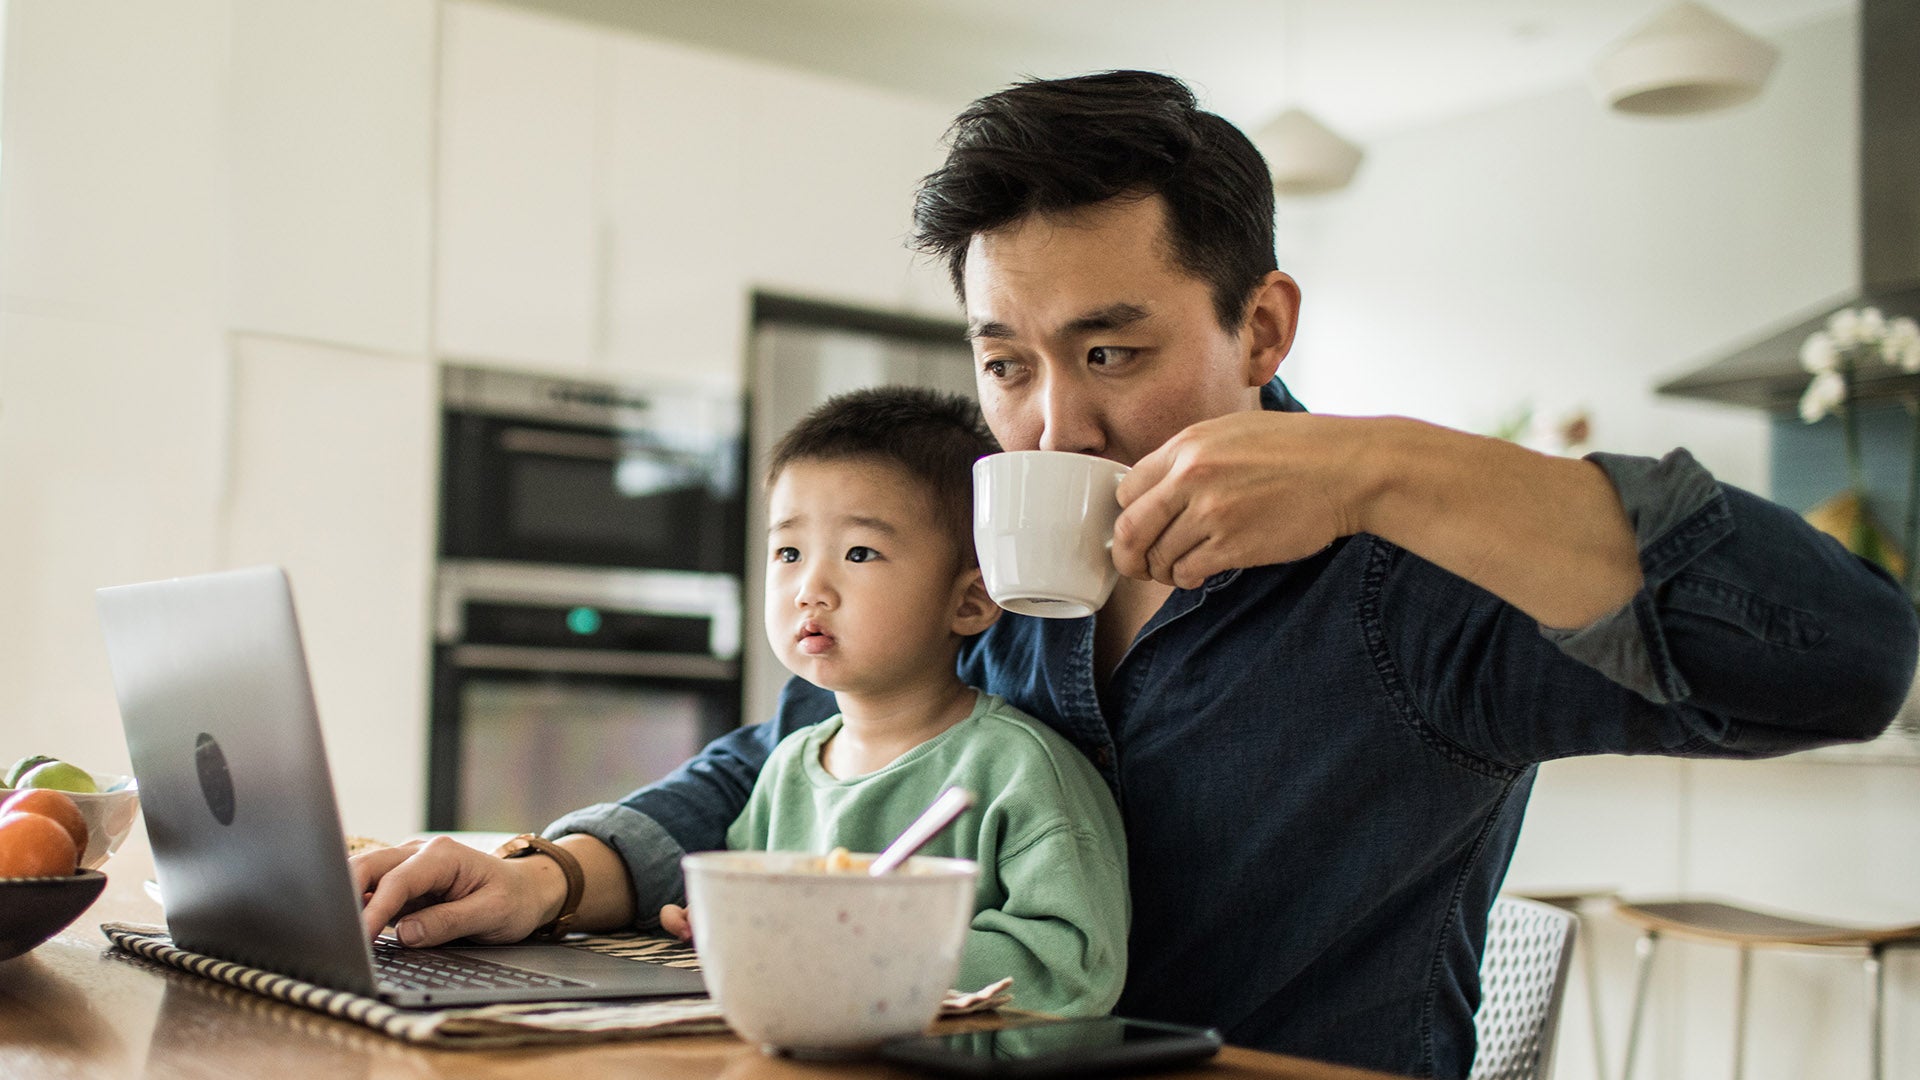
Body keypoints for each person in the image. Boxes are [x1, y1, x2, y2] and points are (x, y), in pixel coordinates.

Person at [355, 71, 1919, 1078]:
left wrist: (1382, 467)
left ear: (1262, 327)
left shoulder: (1410, 581)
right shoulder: (981, 567)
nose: (1055, 423)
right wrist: (554, 873)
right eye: (1006, 361)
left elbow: (1849, 658)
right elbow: (791, 758)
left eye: (1111, 351)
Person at [362, 386, 1130, 1018]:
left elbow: (1069, 971)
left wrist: (840, 946)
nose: (809, 588)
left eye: (860, 552)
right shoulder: (790, 767)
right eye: (789, 551)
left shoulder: (1021, 771)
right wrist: (722, 926)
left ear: (969, 601)